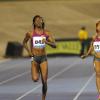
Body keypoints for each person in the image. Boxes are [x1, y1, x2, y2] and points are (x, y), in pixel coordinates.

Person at [23, 15, 56, 100]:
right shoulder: (30, 33)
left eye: (40, 20)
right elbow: (24, 42)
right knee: (35, 79)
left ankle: (43, 99)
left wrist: (46, 42)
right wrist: (29, 52)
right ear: (34, 23)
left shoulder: (47, 33)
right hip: (34, 58)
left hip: (43, 58)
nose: (39, 21)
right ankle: (35, 69)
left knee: (44, 82)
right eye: (37, 20)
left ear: (42, 22)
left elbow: (54, 45)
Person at [81, 21, 100, 100]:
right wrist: (86, 54)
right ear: (96, 27)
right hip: (96, 58)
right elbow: (91, 46)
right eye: (99, 26)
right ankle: (99, 93)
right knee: (98, 74)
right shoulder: (94, 37)